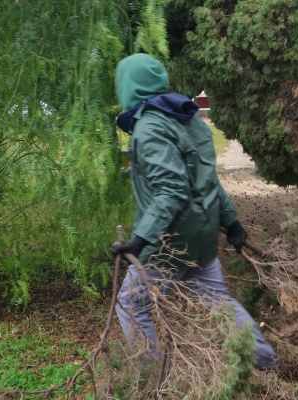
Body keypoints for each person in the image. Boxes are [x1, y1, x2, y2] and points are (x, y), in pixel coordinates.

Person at [110, 53, 280, 370]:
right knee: (220, 303)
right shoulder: (188, 120)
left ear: (129, 88)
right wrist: (231, 222)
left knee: (131, 305)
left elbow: (171, 190)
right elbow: (208, 181)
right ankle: (268, 363)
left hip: (169, 241)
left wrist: (140, 239)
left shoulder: (148, 129)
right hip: (201, 236)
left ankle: (150, 381)